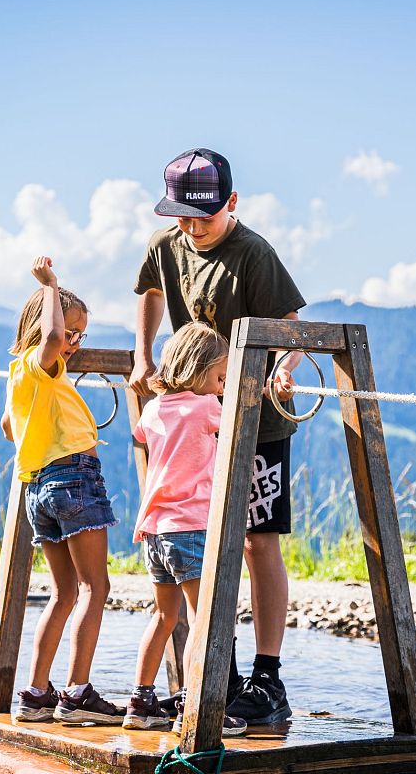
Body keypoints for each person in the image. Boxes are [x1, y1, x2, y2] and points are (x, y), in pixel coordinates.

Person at [130, 148, 305, 724]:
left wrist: (282, 366)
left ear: (231, 203)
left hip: (259, 424)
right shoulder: (166, 245)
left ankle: (267, 678)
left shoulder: (253, 254)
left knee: (257, 543)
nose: (192, 227)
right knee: (202, 546)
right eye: (182, 216)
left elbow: (293, 329)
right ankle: (217, 677)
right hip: (200, 421)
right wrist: (143, 353)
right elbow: (150, 291)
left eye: (203, 216)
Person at [2, 255, 123, 725]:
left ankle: (35, 694)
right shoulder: (41, 361)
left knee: (65, 592)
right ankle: (77, 694)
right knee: (97, 586)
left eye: (79, 335)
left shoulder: (19, 376)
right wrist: (52, 285)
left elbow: (9, 427)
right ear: (43, 326)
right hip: (73, 478)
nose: (72, 344)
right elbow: (49, 340)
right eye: (69, 333)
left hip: (39, 488)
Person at [122, 322, 246, 736]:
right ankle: (195, 705)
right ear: (199, 369)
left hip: (155, 531)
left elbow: (140, 434)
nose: (221, 385)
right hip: (190, 528)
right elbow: (241, 412)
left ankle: (141, 701)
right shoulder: (207, 406)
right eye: (219, 377)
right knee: (203, 619)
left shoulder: (155, 409)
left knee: (163, 615)